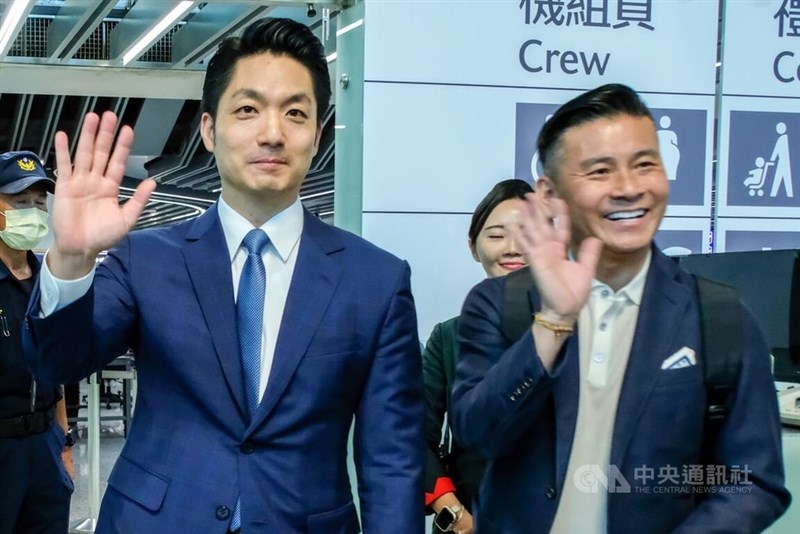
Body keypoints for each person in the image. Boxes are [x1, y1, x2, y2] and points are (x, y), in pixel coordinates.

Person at [23, 18, 424, 533]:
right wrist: (73, 262)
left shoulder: (376, 280)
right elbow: (57, 359)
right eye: (248, 110)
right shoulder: (146, 258)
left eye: (296, 113)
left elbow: (392, 460)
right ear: (210, 131)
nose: (273, 133)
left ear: (320, 134)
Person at [450, 84, 791, 533]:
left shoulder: (718, 316)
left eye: (645, 164)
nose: (629, 188)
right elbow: (477, 434)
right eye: (600, 171)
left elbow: (753, 480)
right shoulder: (499, 304)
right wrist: (552, 321)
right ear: (550, 194)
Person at [424, 179, 532, 533]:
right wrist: (455, 515)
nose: (513, 248)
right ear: (474, 246)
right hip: (468, 520)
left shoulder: (577, 330)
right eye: (497, 235)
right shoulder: (448, 337)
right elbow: (414, 435)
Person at [0, 150, 74, 533]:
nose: (32, 211)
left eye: (39, 202)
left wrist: (63, 443)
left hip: (44, 445)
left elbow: (56, 368)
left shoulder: (49, 278)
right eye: (19, 201)